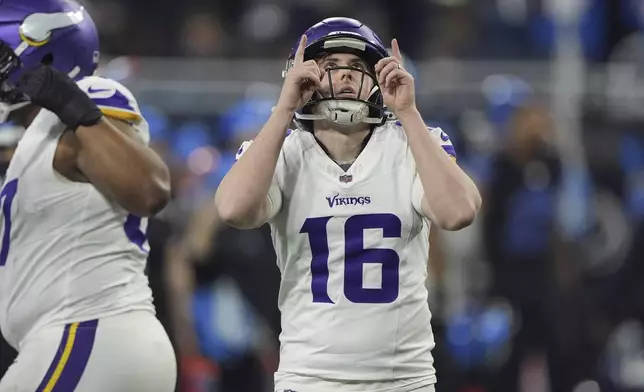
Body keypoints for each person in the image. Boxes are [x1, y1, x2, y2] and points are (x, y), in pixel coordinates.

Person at [215, 17, 481, 392]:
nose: (345, 77)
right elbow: (233, 210)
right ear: (300, 75)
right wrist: (281, 111)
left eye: (357, 67)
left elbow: (459, 212)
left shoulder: (411, 144)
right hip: (310, 378)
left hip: (404, 380)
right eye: (330, 66)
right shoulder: (284, 152)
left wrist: (409, 113)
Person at [0, 0, 176, 390]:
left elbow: (151, 189)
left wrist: (72, 105)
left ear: (41, 49)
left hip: (87, 331)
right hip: (78, 339)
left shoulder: (91, 95)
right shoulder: (33, 137)